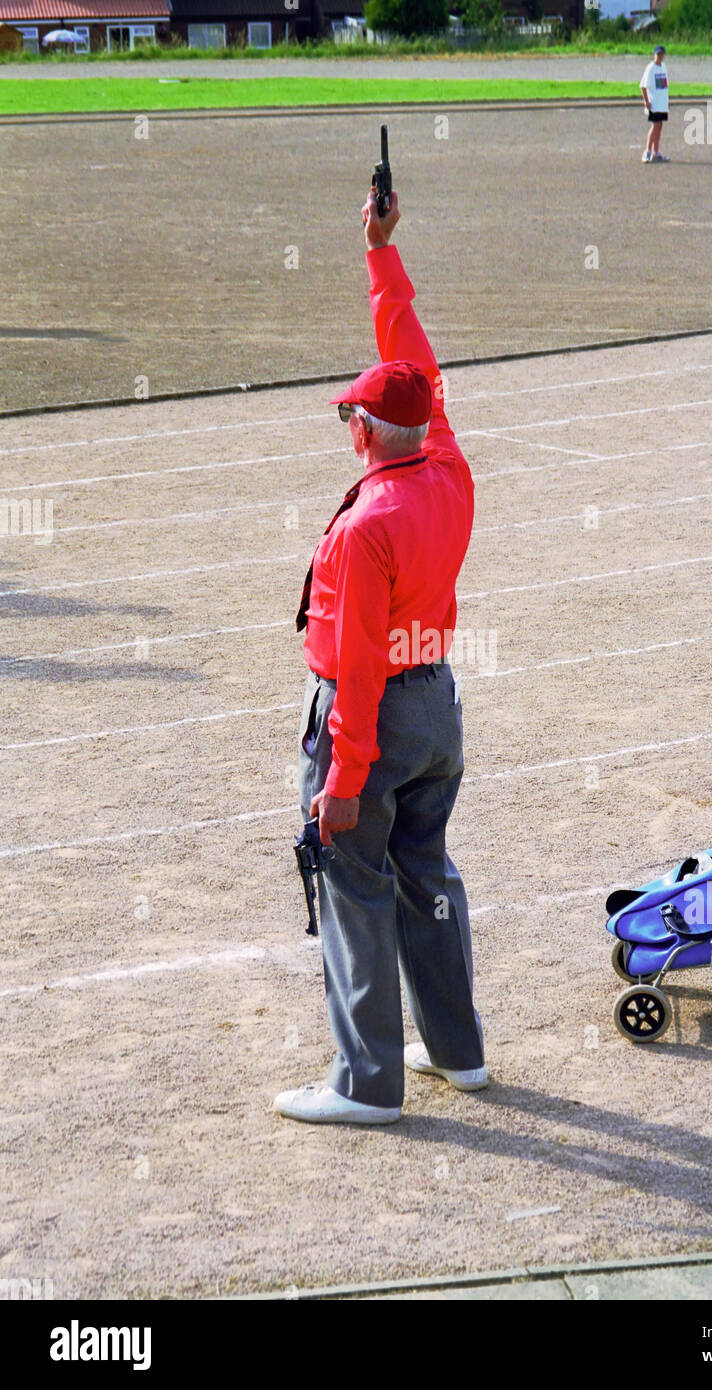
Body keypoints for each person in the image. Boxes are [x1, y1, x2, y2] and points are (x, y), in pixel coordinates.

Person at [273, 186, 487, 1127]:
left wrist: (344, 778)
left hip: (377, 716)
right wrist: (379, 257)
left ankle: (364, 1085)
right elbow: (415, 365)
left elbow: (354, 668)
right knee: (427, 876)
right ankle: (457, 1052)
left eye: (350, 417)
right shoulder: (445, 467)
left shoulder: (367, 527)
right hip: (436, 702)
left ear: (365, 434)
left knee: (354, 887)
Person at [640, 45, 669, 164]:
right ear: (654, 55)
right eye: (658, 54)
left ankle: (656, 152)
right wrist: (646, 101)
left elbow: (664, 86)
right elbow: (643, 85)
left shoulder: (663, 67)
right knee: (655, 125)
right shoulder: (650, 68)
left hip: (662, 103)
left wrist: (667, 102)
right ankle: (647, 151)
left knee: (660, 126)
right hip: (654, 103)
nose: (660, 57)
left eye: (662, 54)